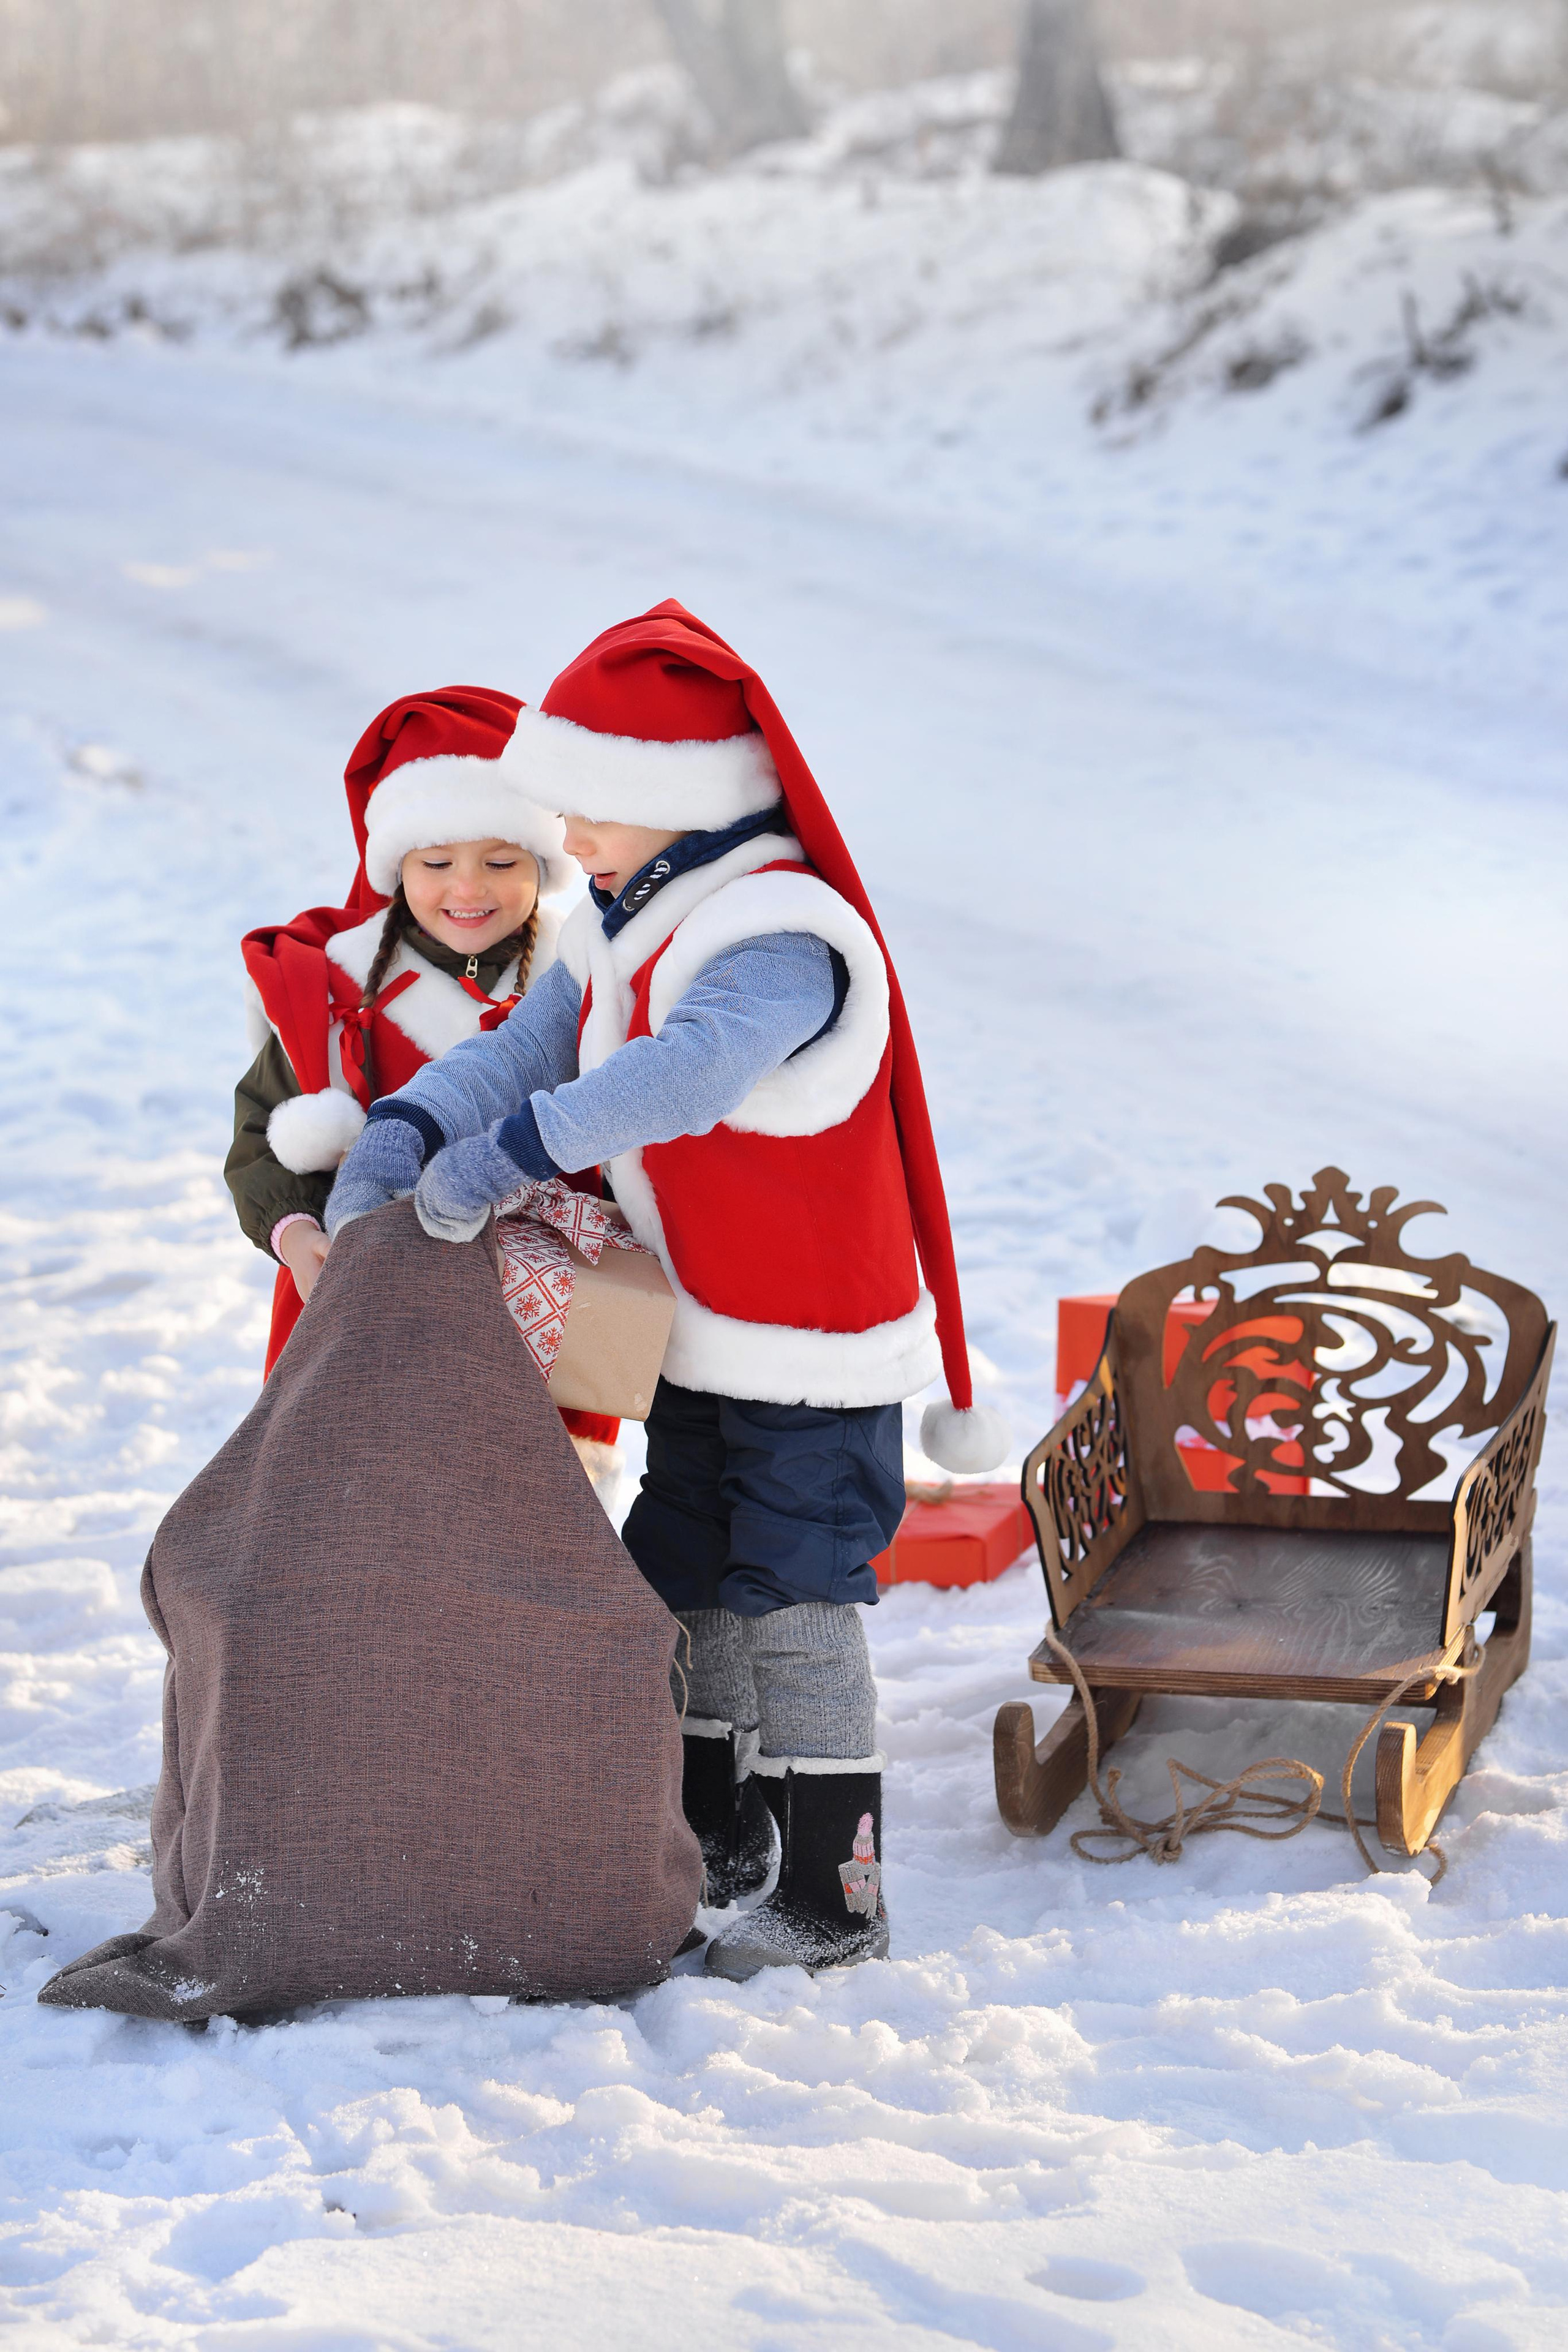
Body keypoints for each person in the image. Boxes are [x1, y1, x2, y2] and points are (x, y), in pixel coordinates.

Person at [325, 600, 1008, 1980]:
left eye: (591, 812)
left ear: (674, 801)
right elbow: (523, 1048)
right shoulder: (628, 914)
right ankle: (708, 1834)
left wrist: (509, 1164)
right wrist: (405, 1132)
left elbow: (683, 1072)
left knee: (795, 1599)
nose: (567, 843)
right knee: (679, 1572)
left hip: (809, 1349)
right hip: (701, 1334)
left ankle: (832, 1890)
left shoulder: (773, 936)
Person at [228, 683, 620, 1479]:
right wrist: (300, 1236)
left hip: (540, 1318)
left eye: (500, 861)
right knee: (362, 1501)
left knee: (530, 1506)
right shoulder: (339, 995)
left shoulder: (579, 985)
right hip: (362, 1308)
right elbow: (262, 1136)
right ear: (395, 864)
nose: (468, 890)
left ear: (542, 863)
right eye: (437, 862)